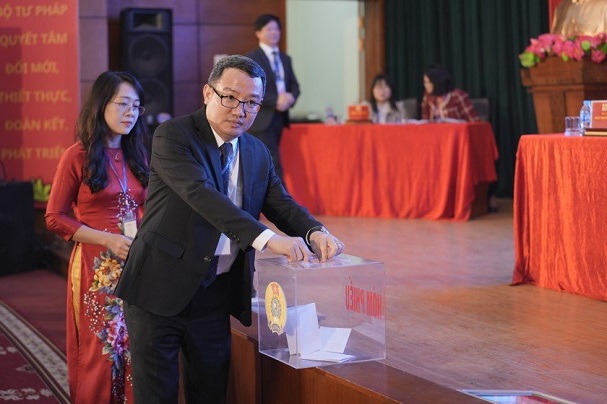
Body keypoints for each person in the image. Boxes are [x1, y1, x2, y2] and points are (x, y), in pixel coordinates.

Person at [114, 55, 344, 403]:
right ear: (208, 92)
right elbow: (202, 195)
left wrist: (315, 231)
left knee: (210, 393)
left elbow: (280, 203)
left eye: (252, 102)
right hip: (159, 287)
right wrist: (269, 240)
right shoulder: (174, 135)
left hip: (214, 294)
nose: (241, 110)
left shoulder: (257, 151)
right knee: (157, 396)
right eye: (230, 97)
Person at [45, 71, 150, 403]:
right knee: (102, 348)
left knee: (134, 347)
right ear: (101, 104)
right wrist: (106, 239)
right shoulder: (77, 155)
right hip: (97, 267)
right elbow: (54, 217)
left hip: (135, 263)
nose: (131, 113)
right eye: (123, 104)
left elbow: (145, 207)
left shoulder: (137, 154)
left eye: (136, 106)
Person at [246, 14, 300, 181]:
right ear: (258, 33)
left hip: (280, 117)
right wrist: (276, 100)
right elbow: (251, 89)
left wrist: (290, 98)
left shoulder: (285, 58)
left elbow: (295, 86)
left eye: (276, 28)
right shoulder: (252, 58)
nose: (274, 32)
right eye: (269, 29)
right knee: (272, 163)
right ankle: (280, 197)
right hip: (262, 118)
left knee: (267, 163)